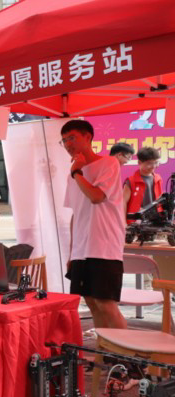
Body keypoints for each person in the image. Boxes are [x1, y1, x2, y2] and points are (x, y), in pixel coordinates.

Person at [61, 119, 126, 330]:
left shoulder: (108, 163)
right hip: (81, 250)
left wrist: (77, 172)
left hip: (104, 247)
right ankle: (103, 348)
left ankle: (125, 351)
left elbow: (96, 196)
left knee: (105, 304)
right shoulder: (73, 174)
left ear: (88, 137)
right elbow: (76, 214)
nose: (68, 144)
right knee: (91, 302)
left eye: (72, 138)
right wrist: (72, 252)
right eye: (64, 140)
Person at [124, 147, 162, 222]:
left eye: (156, 162)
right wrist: (123, 222)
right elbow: (123, 202)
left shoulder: (158, 179)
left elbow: (159, 199)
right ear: (139, 162)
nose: (154, 166)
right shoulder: (131, 181)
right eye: (149, 163)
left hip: (156, 221)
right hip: (136, 222)